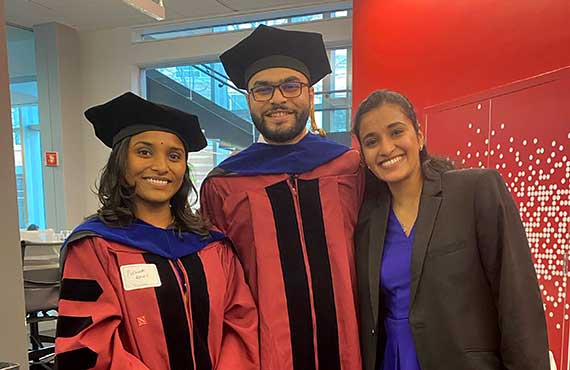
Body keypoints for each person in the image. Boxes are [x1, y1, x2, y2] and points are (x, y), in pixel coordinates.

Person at [54, 92, 259, 370]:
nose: (161, 167)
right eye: (144, 152)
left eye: (174, 156)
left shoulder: (213, 246)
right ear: (121, 163)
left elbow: (240, 325)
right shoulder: (94, 248)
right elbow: (88, 346)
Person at [200, 25, 363, 370]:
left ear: (309, 93)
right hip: (266, 356)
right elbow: (221, 283)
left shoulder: (349, 167)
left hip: (354, 348)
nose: (278, 98)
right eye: (263, 88)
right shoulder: (226, 183)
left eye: (291, 85)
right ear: (249, 99)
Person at [353, 89, 549, 370]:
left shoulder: (475, 191)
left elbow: (519, 301)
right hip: (393, 360)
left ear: (419, 136)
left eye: (396, 132)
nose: (386, 148)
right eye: (372, 141)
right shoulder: (368, 221)